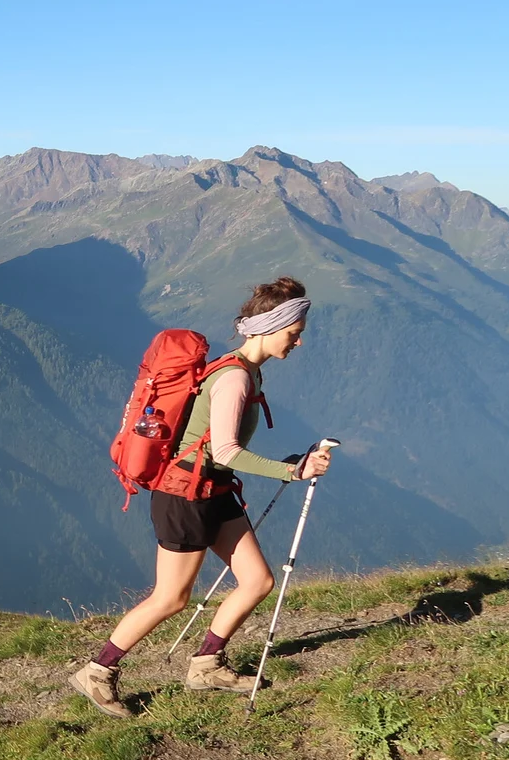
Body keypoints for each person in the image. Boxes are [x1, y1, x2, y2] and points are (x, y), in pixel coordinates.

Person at [71, 278, 334, 719]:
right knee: (171, 598)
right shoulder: (233, 378)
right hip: (185, 496)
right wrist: (293, 470)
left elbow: (220, 451)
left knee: (257, 581)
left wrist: (290, 462)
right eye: (293, 332)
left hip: (215, 489)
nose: (299, 341)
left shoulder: (247, 371)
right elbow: (228, 451)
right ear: (270, 328)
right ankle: (97, 672)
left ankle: (207, 665)